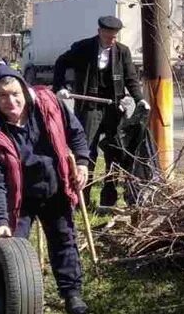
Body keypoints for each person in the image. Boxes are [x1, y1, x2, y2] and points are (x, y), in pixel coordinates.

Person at [0, 64, 92, 314]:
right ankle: (9, 299)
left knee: (64, 240)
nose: (11, 101)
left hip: (55, 187)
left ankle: (72, 293)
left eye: (15, 93)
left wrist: (81, 161)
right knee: (11, 247)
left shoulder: (49, 105)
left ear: (25, 91)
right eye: (3, 96)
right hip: (17, 197)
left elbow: (76, 132)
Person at [50, 14, 147, 208]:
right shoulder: (83, 48)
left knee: (114, 152)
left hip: (113, 107)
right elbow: (61, 62)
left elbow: (131, 79)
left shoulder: (122, 52)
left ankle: (108, 198)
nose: (112, 40)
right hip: (89, 108)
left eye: (115, 36)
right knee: (86, 152)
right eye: (108, 36)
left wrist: (140, 99)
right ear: (99, 32)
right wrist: (60, 87)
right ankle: (82, 200)